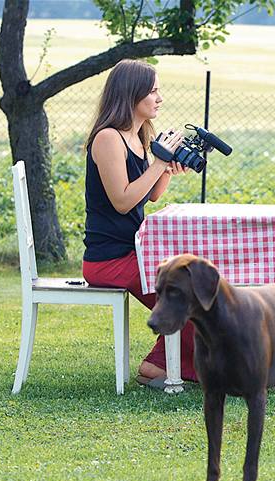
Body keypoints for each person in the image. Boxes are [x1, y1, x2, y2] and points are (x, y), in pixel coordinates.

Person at [81, 59, 197, 388]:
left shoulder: (137, 135)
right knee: (184, 295)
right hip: (109, 259)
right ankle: (200, 368)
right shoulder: (107, 139)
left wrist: (167, 168)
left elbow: (151, 195)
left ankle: (159, 365)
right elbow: (123, 199)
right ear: (131, 95)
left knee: (192, 285)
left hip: (132, 253)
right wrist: (158, 162)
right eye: (153, 91)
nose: (159, 98)